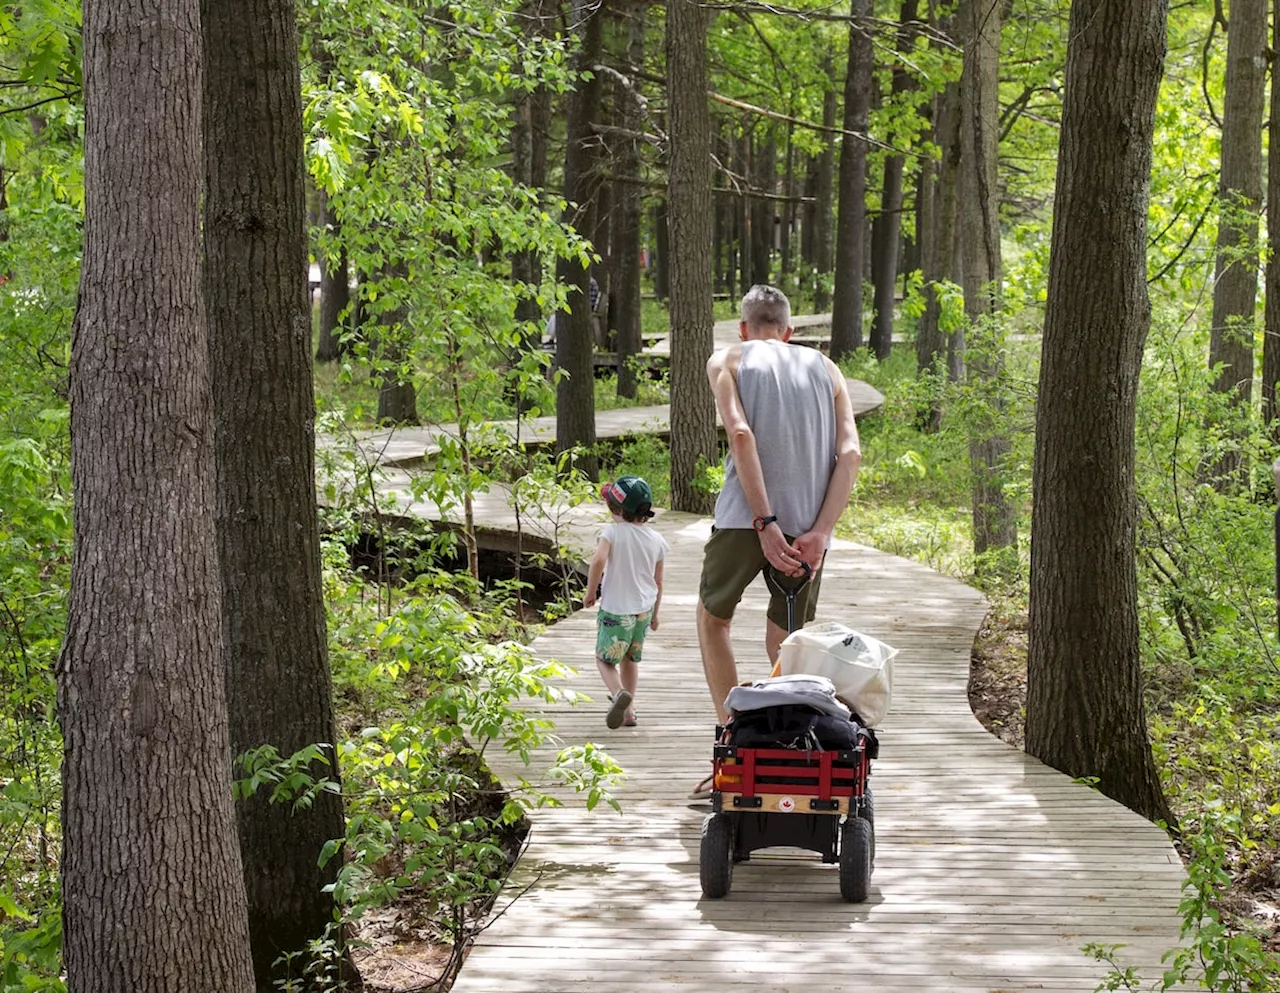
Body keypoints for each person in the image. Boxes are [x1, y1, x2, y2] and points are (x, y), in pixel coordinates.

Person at [692, 284, 862, 796]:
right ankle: (784, 747)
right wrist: (822, 533)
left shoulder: (728, 358)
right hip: (810, 530)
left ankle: (735, 743)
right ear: (789, 333)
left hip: (746, 517)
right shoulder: (826, 368)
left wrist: (763, 522)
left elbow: (740, 434)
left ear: (743, 328)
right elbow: (850, 453)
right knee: (785, 637)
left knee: (712, 620)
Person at [583, 474, 669, 729]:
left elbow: (598, 561)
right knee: (630, 660)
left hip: (615, 611)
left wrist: (591, 592)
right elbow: (659, 581)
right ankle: (629, 712)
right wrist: (655, 614)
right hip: (643, 611)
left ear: (615, 509)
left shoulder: (611, 533)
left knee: (604, 659)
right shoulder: (657, 539)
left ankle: (619, 693)